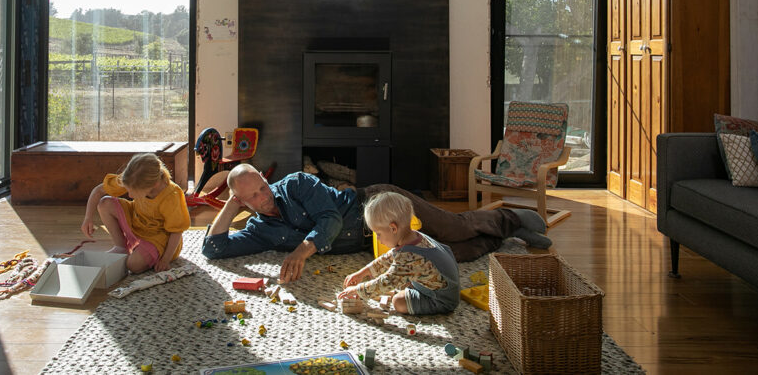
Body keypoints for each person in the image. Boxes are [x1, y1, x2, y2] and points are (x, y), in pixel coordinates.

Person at [201, 164, 550, 282]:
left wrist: (302, 251)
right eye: (254, 197)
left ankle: (509, 217)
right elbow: (214, 249)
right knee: (450, 253)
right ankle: (503, 237)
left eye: (263, 186)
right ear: (243, 202)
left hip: (377, 204)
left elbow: (330, 220)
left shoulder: (295, 183)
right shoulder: (259, 230)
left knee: (451, 229)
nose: (266, 196)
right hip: (375, 242)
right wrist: (230, 207)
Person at [337, 191, 460, 315]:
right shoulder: (415, 237)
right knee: (401, 278)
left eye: (378, 234)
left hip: (441, 300)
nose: (378, 239)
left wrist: (357, 290)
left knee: (398, 302)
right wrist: (362, 272)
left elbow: (386, 282)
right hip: (443, 285)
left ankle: (415, 296)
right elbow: (389, 257)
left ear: (393, 228)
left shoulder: (410, 258)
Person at [82, 153, 190, 274]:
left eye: (133, 192)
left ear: (154, 185)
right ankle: (121, 248)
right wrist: (88, 218)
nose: (130, 195)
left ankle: (142, 253)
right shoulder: (133, 178)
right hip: (137, 218)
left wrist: (165, 260)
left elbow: (176, 231)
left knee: (133, 265)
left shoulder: (172, 195)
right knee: (104, 203)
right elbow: (98, 191)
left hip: (159, 237)